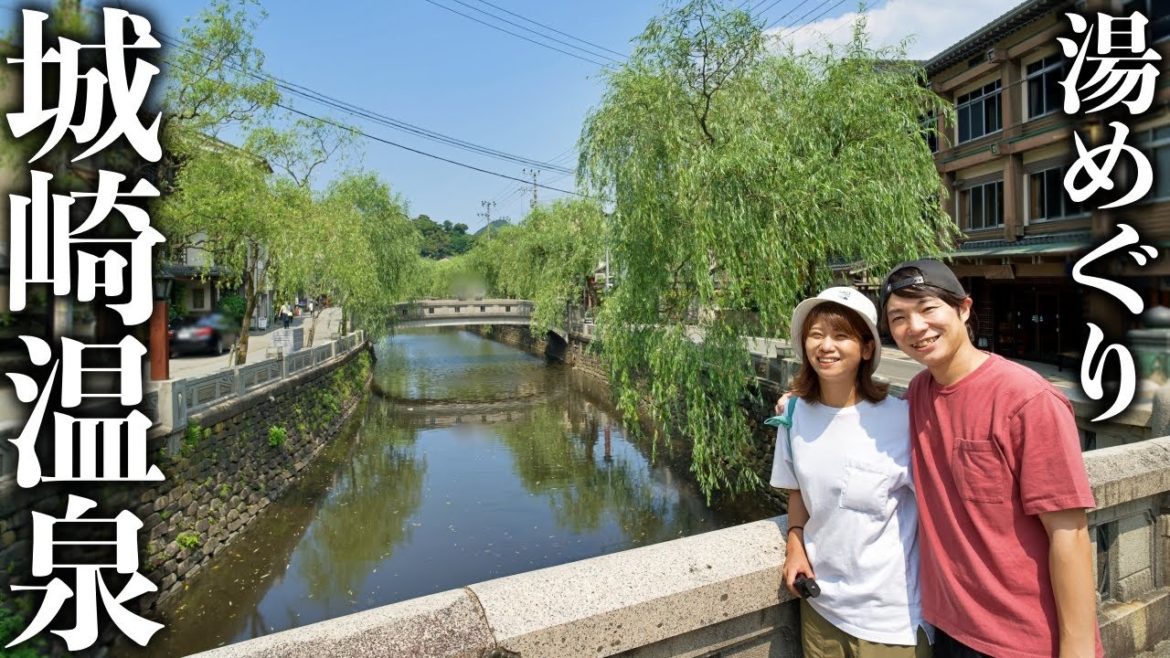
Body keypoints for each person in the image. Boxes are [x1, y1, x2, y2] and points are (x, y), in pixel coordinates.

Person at [879, 260, 1101, 658]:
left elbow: (1071, 535)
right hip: (947, 626)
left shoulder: (1027, 400)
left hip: (1023, 641)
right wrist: (808, 404)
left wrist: (1078, 650)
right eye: (899, 317)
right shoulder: (917, 394)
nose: (914, 327)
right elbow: (866, 427)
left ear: (964, 309)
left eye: (928, 309)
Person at [770, 286, 931, 658]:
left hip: (890, 621)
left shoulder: (901, 419)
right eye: (816, 335)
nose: (826, 346)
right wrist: (795, 543)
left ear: (867, 348)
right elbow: (797, 492)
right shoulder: (793, 416)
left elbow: (937, 511)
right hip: (821, 608)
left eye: (841, 335)